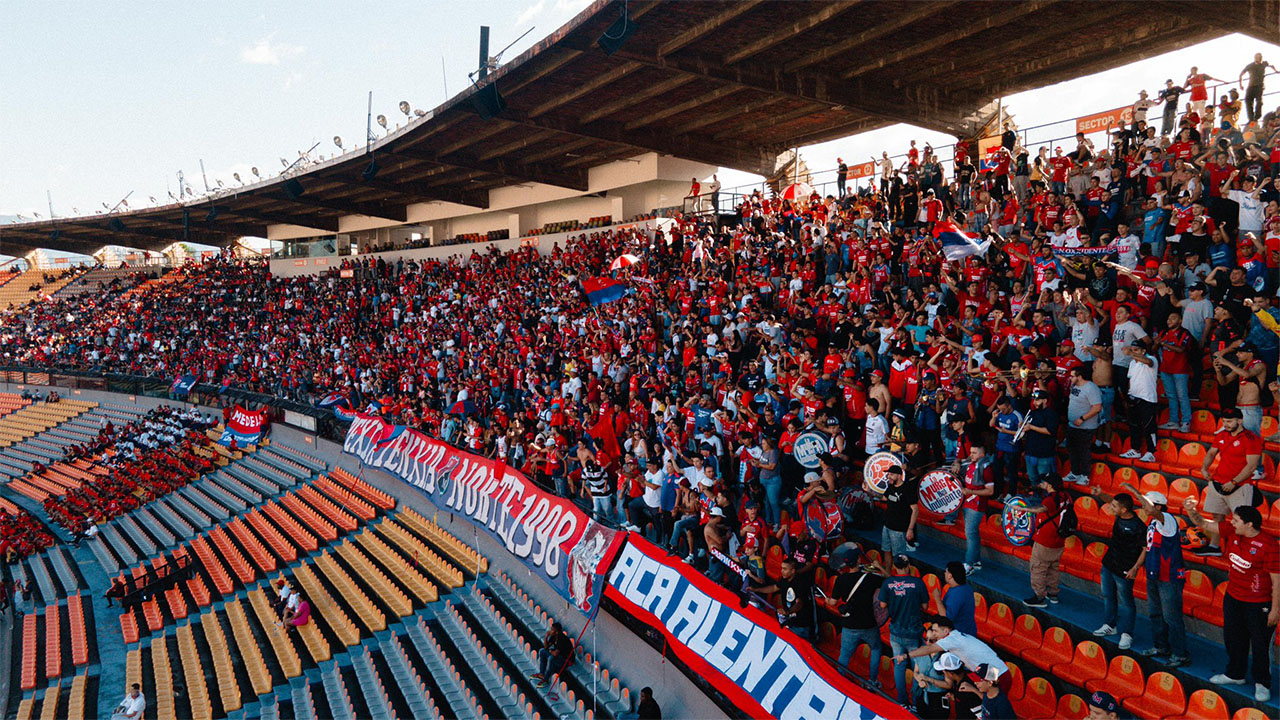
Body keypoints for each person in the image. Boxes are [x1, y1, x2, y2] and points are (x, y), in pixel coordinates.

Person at [1184, 501, 1279, 703]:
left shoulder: (1269, 545)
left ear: (1249, 524)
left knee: (1261, 644)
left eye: (1236, 521)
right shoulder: (1234, 532)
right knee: (1234, 637)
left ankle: (1262, 683)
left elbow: (1277, 580)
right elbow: (1204, 524)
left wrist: (1275, 610)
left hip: (1259, 602)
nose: (1232, 523)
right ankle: (1235, 675)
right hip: (1234, 597)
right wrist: (1191, 510)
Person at [1120, 486, 1190, 667]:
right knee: (1155, 614)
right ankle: (1161, 646)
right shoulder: (1153, 523)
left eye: (1148, 504)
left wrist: (1133, 491)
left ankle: (1180, 653)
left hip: (1169, 577)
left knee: (1171, 617)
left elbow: (1149, 509)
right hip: (1154, 574)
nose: (1144, 507)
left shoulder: (1168, 520)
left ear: (1158, 507)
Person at [1196, 407, 1263, 557]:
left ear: (1240, 421)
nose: (1226, 424)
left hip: (1239, 486)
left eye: (1230, 421)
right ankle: (1214, 546)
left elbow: (1251, 465)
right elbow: (1211, 453)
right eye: (1224, 421)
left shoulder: (1250, 438)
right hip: (1218, 482)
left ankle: (1245, 552)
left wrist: (1233, 482)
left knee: (1243, 521)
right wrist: (1204, 468)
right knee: (1217, 517)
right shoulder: (1221, 435)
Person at [1089, 488, 1145, 650]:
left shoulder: (1138, 526)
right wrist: (1100, 494)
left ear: (1124, 510)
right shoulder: (1119, 514)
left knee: (1127, 603)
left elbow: (1145, 549)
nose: (1110, 508)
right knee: (1108, 595)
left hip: (1125, 568)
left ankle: (1127, 634)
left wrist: (1135, 568)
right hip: (1109, 563)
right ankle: (1110, 625)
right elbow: (1109, 500)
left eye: (1114, 507)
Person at [825, 551, 883, 687]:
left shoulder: (841, 579)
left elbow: (833, 602)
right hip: (868, 623)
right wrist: (879, 567)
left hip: (850, 624)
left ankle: (838, 682)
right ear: (858, 561)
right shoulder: (869, 578)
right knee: (875, 649)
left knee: (844, 654)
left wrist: (827, 600)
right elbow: (888, 580)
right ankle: (872, 682)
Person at [1014, 474, 1071, 607]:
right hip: (1059, 540)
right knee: (1053, 567)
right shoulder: (1066, 496)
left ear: (1050, 485)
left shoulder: (1051, 499)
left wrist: (1023, 509)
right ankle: (1053, 594)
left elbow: (1042, 509)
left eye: (1044, 482)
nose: (1042, 483)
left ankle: (1039, 597)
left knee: (1038, 568)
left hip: (1045, 540)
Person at [880, 554, 929, 708]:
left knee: (899, 667)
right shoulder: (918, 583)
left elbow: (882, 605)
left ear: (895, 567)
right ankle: (915, 703)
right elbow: (925, 607)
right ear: (909, 566)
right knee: (917, 668)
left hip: (896, 631)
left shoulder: (888, 583)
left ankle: (902, 701)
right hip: (913, 633)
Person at [1118, 339, 1159, 463]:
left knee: (1149, 426)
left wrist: (1130, 353)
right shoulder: (1132, 363)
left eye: (1135, 350)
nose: (1132, 352)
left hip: (1148, 398)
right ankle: (1135, 450)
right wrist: (1128, 394)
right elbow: (1131, 379)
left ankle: (1151, 452)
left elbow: (1149, 362)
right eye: (1131, 349)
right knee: (1134, 425)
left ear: (1143, 350)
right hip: (1134, 397)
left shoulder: (1152, 359)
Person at [1065, 365, 1102, 485]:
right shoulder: (1075, 386)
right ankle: (1075, 472)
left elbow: (1097, 407)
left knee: (1083, 451)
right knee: (1072, 449)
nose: (1070, 378)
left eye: (1072, 376)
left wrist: (1082, 418)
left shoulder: (1091, 388)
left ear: (1079, 377)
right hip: (1072, 425)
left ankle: (1085, 475)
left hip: (1085, 427)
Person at [879, 464, 919, 561]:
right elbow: (883, 498)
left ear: (899, 475)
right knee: (886, 551)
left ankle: (901, 575)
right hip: (887, 525)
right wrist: (870, 492)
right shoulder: (890, 487)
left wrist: (910, 529)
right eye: (888, 474)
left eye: (891, 474)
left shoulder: (907, 489)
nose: (889, 477)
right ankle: (888, 574)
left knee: (899, 556)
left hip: (899, 529)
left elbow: (915, 510)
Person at [928, 561, 977, 636]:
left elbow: (946, 618)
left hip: (960, 636)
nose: (944, 573)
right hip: (966, 631)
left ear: (950, 576)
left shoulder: (958, 593)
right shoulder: (965, 587)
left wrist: (937, 599)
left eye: (946, 572)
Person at [1238, 52, 1277, 124]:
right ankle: (1251, 118)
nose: (1259, 59)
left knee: (1259, 101)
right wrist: (1241, 84)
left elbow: (1271, 65)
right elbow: (1241, 74)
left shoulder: (1264, 63)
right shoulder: (1250, 65)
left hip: (1259, 86)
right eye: (1258, 57)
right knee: (1248, 100)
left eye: (1260, 57)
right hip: (1251, 86)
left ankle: (1257, 116)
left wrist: (1276, 71)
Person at [532, 622, 574, 688]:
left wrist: (550, 651)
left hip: (567, 660)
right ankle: (541, 674)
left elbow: (555, 653)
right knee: (542, 651)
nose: (550, 631)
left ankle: (546, 679)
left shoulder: (562, 639)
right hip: (559, 656)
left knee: (551, 658)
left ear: (556, 632)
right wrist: (546, 637)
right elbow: (546, 647)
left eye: (552, 630)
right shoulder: (554, 636)